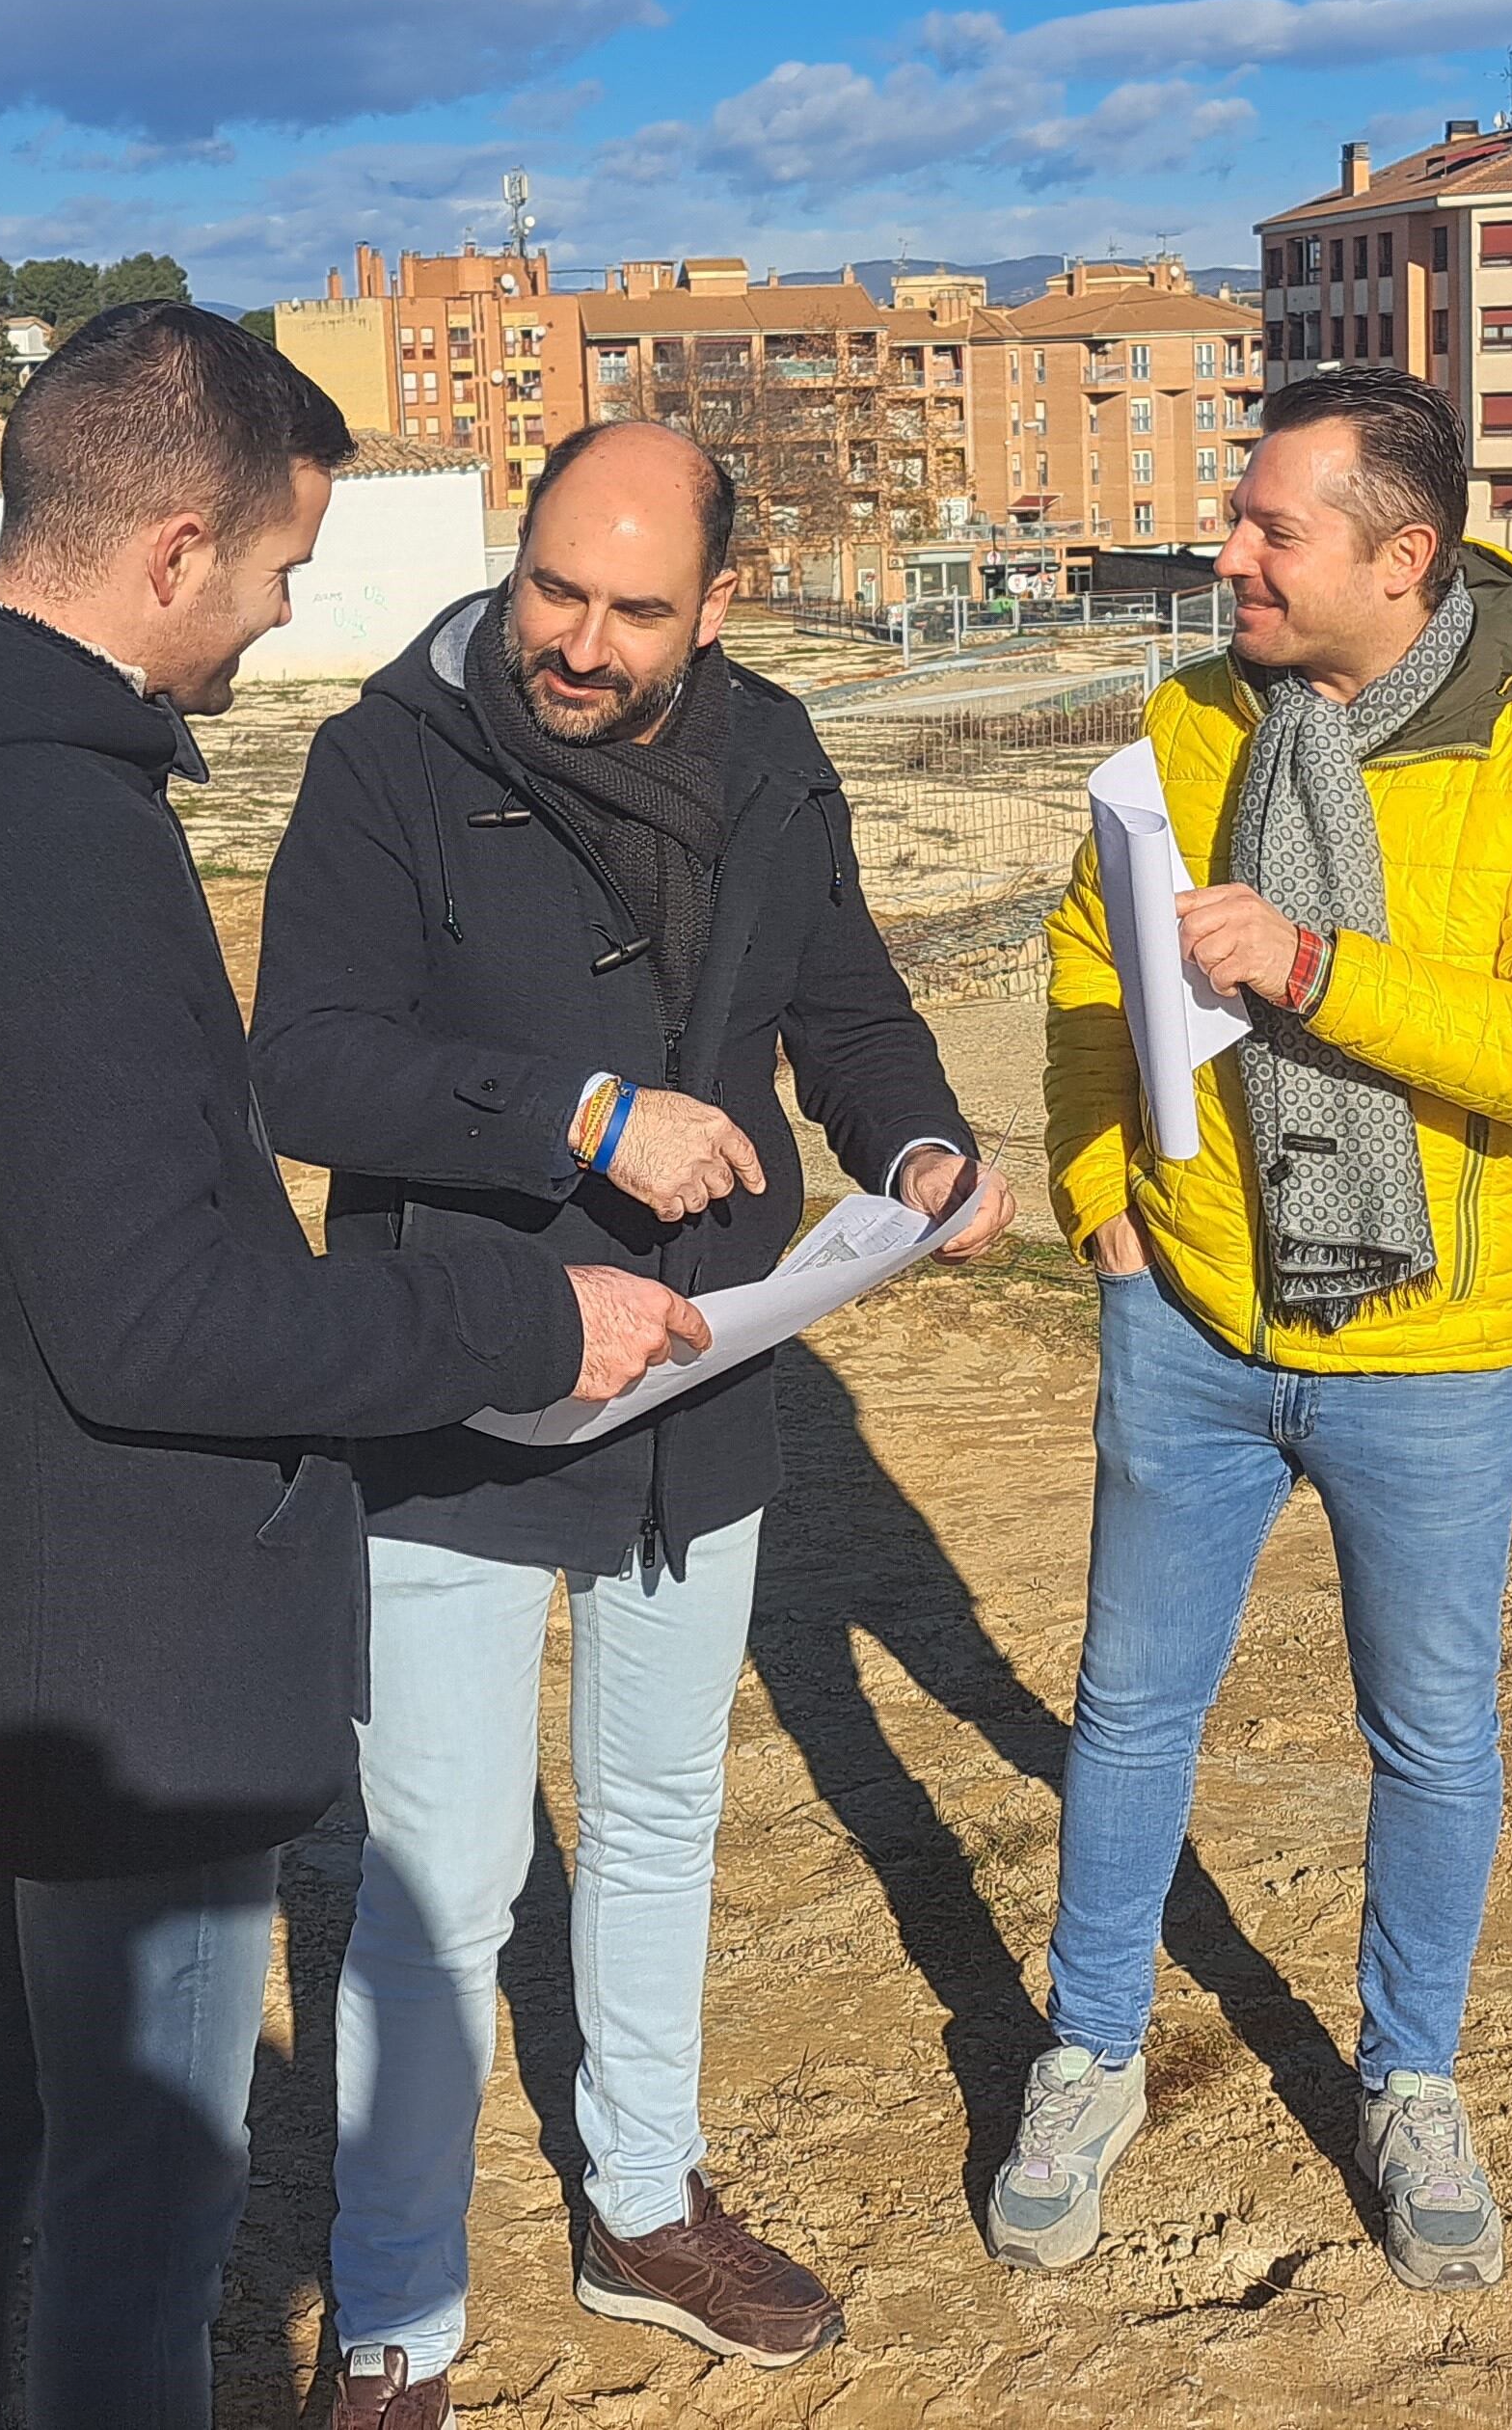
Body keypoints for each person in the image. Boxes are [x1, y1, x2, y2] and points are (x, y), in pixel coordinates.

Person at [0, 305, 709, 2430]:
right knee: (140, 2207)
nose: (277, 621)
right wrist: (521, 1317)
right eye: (273, 571)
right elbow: (161, 1312)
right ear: (172, 550)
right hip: (129, 1654)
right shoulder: (44, 839)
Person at [254, 418, 1006, 2428]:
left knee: (663, 1815)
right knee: (435, 1881)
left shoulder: (766, 755)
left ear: (719, 607)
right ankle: (400, 2311)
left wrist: (919, 1145)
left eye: (632, 609)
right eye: (552, 590)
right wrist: (579, 1118)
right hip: (462, 1379)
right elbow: (305, 1065)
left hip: (705, 1381)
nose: (577, 642)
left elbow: (839, 1002)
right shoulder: (381, 764)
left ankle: (642, 2202)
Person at [995, 365, 1512, 2291]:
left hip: (1440, 1353)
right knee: (1128, 1715)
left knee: (1430, 1735)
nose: (1227, 556)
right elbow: (1080, 968)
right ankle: (1089, 2050)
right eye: (1234, 516)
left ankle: (1410, 2080)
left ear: (1402, 555)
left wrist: (1315, 971)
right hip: (1190, 1317)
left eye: (1268, 529)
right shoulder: (1188, 719)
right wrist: (1095, 1197)